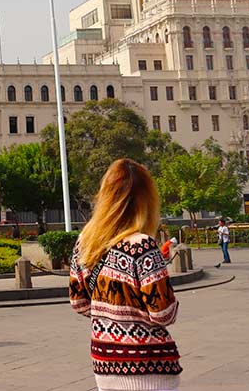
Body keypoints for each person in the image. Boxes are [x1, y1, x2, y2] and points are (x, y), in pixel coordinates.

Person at [69, 158, 181, 391]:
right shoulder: (142, 246)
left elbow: (78, 302)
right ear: (145, 200)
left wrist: (111, 316)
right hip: (148, 364)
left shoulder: (85, 242)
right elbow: (163, 313)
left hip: (105, 359)